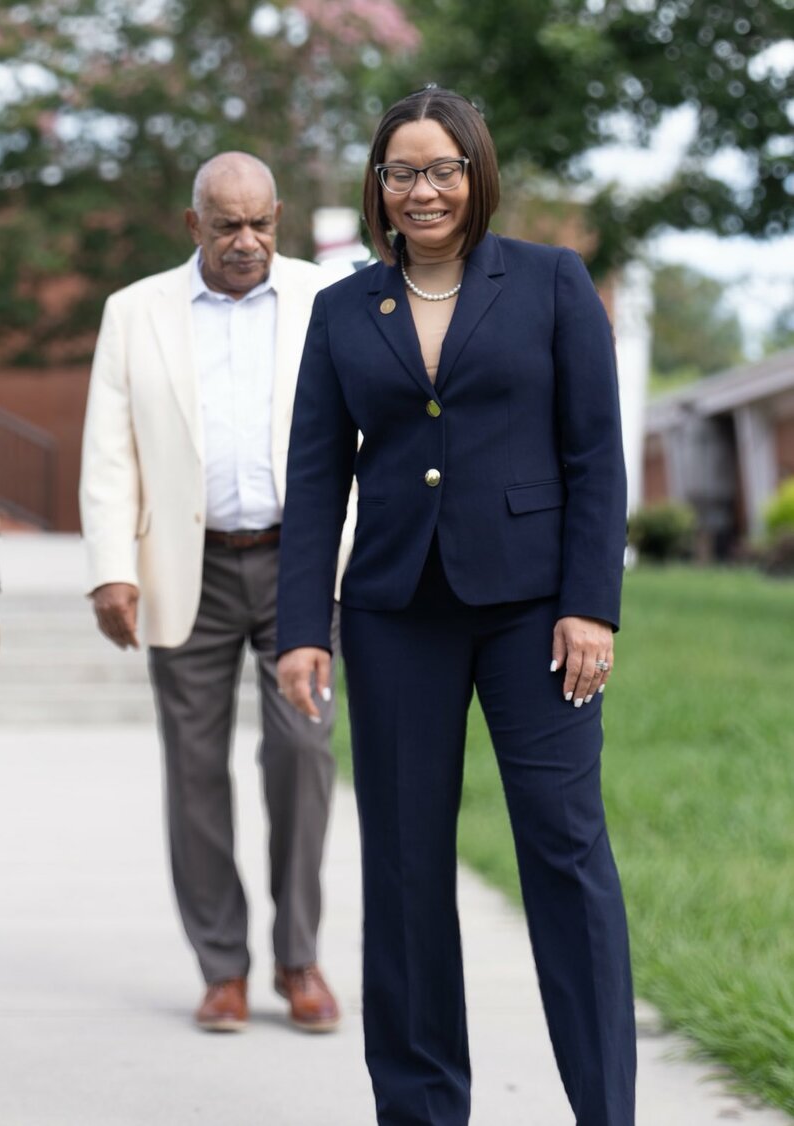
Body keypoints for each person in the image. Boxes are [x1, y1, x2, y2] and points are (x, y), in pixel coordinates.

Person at [275, 87, 634, 1125]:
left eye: (440, 169)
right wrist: (304, 626)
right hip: (393, 612)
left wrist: (589, 605)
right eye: (400, 171)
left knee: (564, 854)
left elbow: (592, 456)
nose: (421, 189)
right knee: (401, 872)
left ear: (474, 173)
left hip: (536, 616)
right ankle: (422, 1108)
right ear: (376, 187)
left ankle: (604, 1108)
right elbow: (314, 478)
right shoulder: (342, 308)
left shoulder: (551, 283)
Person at [79, 152, 347, 1035]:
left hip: (301, 570)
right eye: (227, 225)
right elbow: (110, 451)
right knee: (194, 773)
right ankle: (221, 968)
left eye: (261, 224)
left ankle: (298, 959)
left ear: (282, 219)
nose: (246, 242)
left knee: (301, 758)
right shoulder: (135, 312)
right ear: (192, 225)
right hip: (181, 568)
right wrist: (111, 569)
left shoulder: (329, 300)